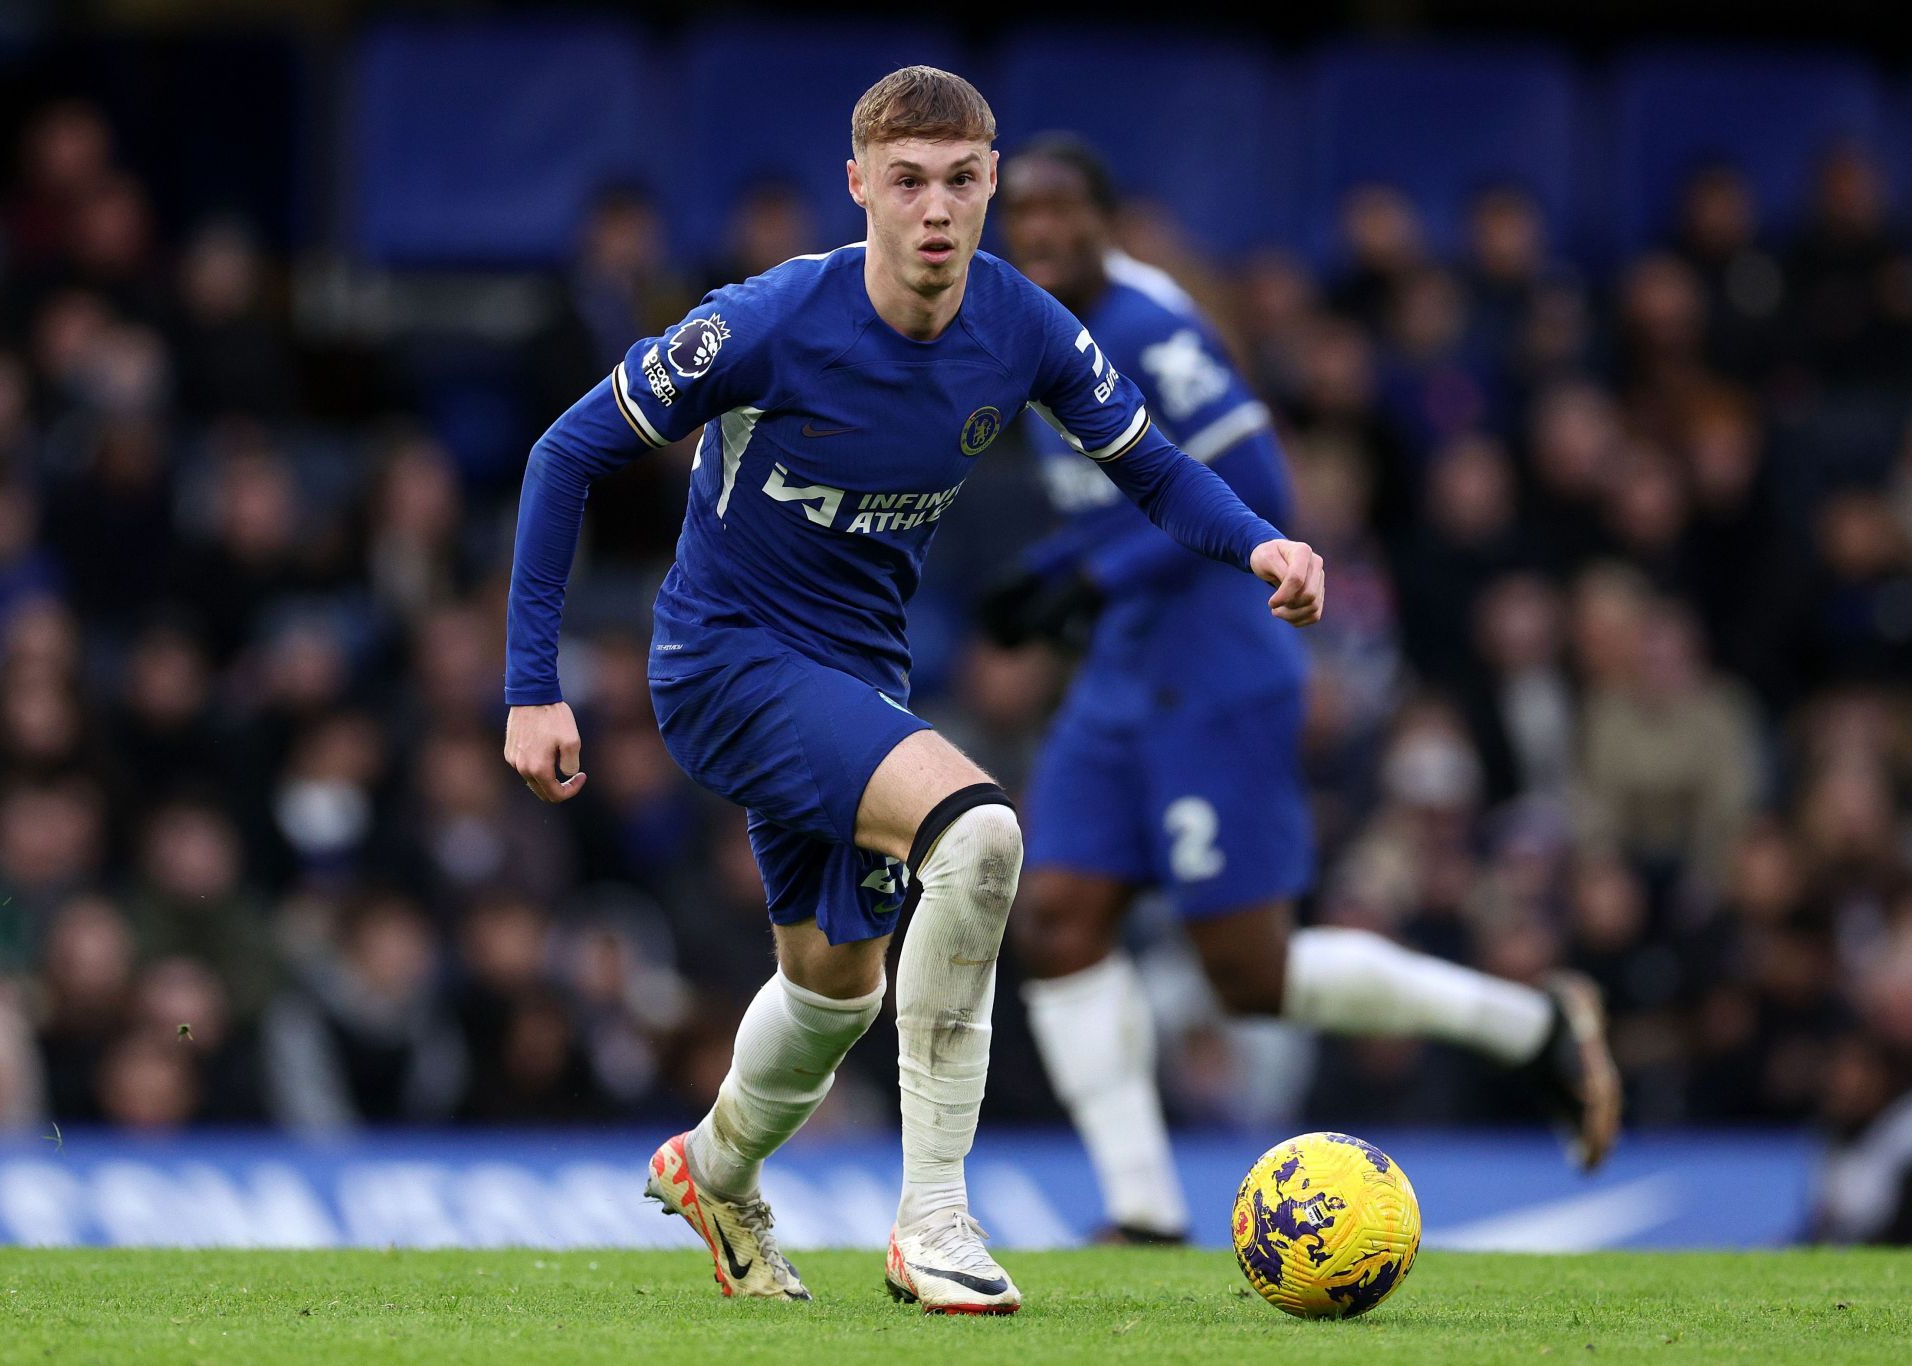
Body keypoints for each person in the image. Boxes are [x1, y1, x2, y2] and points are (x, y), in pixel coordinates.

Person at [501, 68, 1324, 1313]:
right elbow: (567, 449)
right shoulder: (771, 320)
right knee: (981, 831)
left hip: (857, 678)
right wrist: (531, 685)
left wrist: (1259, 540)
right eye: (907, 182)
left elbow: (1155, 469)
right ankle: (933, 1216)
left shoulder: (1027, 325)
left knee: (837, 988)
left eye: (959, 180)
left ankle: (712, 1169)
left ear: (990, 183)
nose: (935, 209)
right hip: (725, 660)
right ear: (860, 188)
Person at [993, 136, 1621, 1244]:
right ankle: (1141, 1208)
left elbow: (1263, 488)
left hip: (1214, 667)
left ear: (1108, 220)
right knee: (1057, 916)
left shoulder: (1154, 329)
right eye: (1022, 215)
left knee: (1246, 972)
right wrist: (1053, 578)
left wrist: (1093, 574)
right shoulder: (1041, 323)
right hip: (1124, 665)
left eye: (1060, 213)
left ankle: (1532, 1026)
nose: (1037, 234)